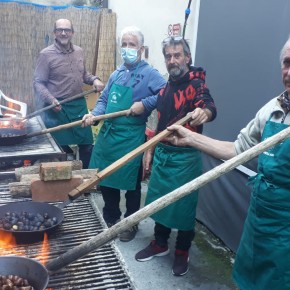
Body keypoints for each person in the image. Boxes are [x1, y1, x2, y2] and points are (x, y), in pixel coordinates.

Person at [165, 37, 290, 289]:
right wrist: (190, 137)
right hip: (260, 223)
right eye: (287, 63)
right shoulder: (272, 110)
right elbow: (237, 149)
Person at [134, 36, 217, 277]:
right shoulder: (166, 88)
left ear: (188, 57)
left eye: (177, 55)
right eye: (168, 56)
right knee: (160, 201)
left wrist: (205, 112)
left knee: (183, 208)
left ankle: (182, 251)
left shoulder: (197, 83)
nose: (172, 60)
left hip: (185, 157)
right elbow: (160, 123)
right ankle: (160, 243)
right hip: (163, 154)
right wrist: (150, 148)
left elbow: (209, 105)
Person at [82, 26, 166, 242]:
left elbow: (166, 93)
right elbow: (103, 100)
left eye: (132, 45)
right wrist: (94, 115)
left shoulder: (150, 74)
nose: (127, 48)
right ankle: (111, 219)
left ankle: (130, 222)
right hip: (108, 135)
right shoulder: (116, 74)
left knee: (131, 184)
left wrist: (145, 103)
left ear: (141, 49)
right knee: (106, 179)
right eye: (125, 44)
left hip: (131, 137)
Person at [33, 18, 104, 169]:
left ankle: (86, 182)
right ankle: (65, 181)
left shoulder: (79, 51)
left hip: (78, 105)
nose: (63, 33)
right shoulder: (46, 55)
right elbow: (38, 82)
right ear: (54, 33)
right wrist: (50, 99)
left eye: (67, 30)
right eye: (60, 30)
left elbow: (84, 74)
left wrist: (95, 80)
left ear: (72, 33)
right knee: (60, 148)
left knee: (86, 145)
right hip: (57, 108)